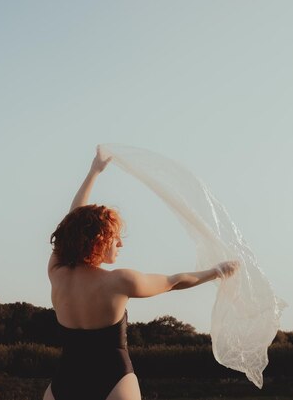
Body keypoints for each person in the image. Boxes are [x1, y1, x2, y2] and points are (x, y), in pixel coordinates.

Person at [42, 146, 240, 400]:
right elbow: (173, 282)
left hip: (65, 383)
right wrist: (215, 271)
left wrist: (93, 173)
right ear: (98, 241)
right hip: (114, 380)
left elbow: (72, 222)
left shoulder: (57, 272)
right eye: (115, 239)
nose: (121, 244)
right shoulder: (120, 281)